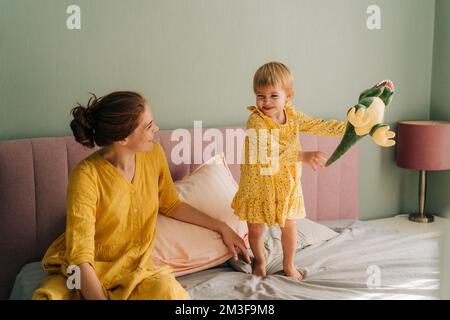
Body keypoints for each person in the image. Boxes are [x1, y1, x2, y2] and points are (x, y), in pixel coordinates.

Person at [33, 91, 250, 300]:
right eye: (148, 126)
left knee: (169, 293)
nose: (156, 129)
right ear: (123, 139)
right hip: (82, 274)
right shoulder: (85, 176)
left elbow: (171, 204)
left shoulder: (154, 155)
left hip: (135, 274)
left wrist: (222, 227)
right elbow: (80, 258)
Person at [231, 62, 346, 280]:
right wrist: (302, 156)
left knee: (289, 227)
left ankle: (289, 264)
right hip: (259, 184)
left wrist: (351, 127)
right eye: (260, 96)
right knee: (256, 229)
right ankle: (260, 260)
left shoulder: (292, 116)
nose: (266, 102)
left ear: (288, 96)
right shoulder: (256, 121)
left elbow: (318, 125)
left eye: (273, 96)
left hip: (287, 185)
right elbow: (267, 153)